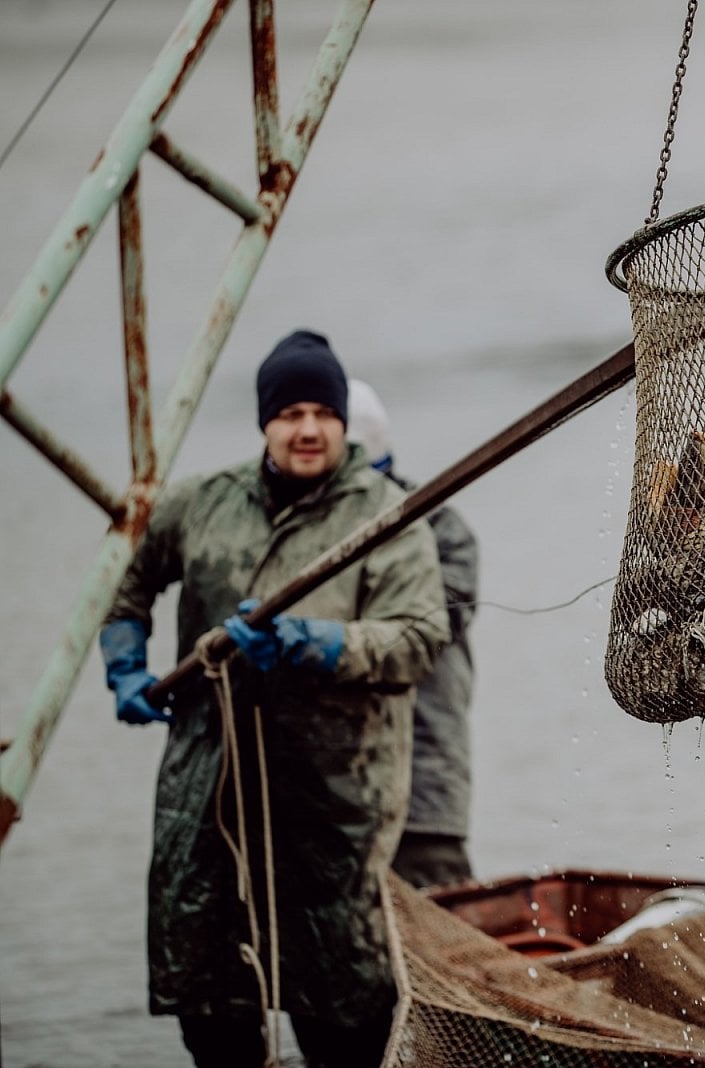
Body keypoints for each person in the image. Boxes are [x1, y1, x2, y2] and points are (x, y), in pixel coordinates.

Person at [98, 330, 448, 1068]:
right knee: (210, 994)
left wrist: (314, 643)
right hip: (209, 791)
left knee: (345, 1010)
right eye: (290, 412)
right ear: (265, 421)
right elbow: (125, 587)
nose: (309, 429)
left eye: (323, 410)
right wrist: (124, 663)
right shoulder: (201, 503)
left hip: (333, 804)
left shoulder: (386, 515)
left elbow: (419, 639)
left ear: (344, 422)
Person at [345, 377, 480, 889]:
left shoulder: (441, 531)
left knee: (444, 922)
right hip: (331, 804)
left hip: (423, 794)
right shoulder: (301, 530)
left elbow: (426, 630)